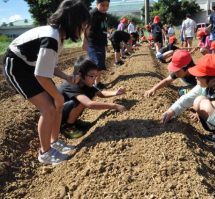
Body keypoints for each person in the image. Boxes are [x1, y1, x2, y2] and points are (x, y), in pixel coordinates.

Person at [3, 0, 90, 165]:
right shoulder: (51, 37)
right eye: (82, 24)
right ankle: (45, 154)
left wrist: (66, 77)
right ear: (74, 22)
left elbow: (47, 65)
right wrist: (57, 96)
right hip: (17, 67)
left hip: (31, 66)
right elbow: (41, 75)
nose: (83, 29)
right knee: (49, 107)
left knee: (57, 104)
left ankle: (54, 142)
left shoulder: (58, 35)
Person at [58, 56, 126, 138]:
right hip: (56, 117)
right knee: (81, 101)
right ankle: (67, 127)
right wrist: (114, 106)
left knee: (87, 94)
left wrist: (116, 92)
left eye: (96, 76)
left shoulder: (84, 82)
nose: (94, 79)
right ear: (80, 74)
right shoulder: (71, 84)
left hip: (63, 111)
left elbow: (100, 93)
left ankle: (73, 122)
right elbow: (89, 104)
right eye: (92, 76)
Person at [82, 0, 110, 90]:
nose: (105, 7)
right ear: (97, 4)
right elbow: (86, 28)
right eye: (102, 5)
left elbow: (104, 30)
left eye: (107, 5)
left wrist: (105, 44)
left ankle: (97, 83)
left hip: (100, 43)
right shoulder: (93, 13)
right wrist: (84, 41)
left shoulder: (104, 15)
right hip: (93, 43)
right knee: (96, 64)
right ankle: (90, 84)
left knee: (100, 64)